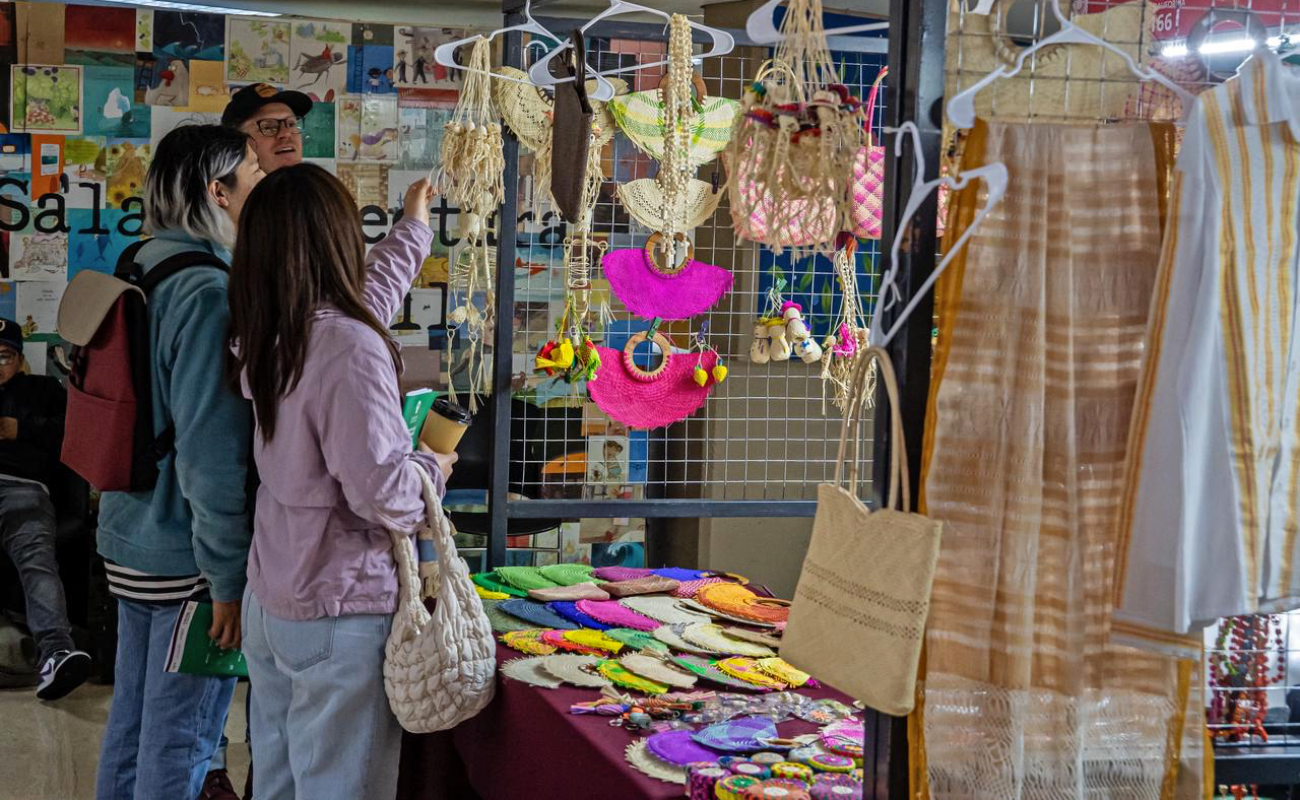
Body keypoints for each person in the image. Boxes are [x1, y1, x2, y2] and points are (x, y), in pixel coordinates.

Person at [227, 166, 454, 800]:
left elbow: (367, 302)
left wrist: (414, 227)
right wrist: (432, 469)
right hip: (340, 606)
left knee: (276, 781)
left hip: (273, 600)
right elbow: (384, 492)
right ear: (337, 239)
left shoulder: (271, 327)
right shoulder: (347, 347)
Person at [94, 124, 263, 800]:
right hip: (186, 555)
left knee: (133, 726)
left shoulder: (141, 260)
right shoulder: (209, 293)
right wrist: (227, 578)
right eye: (251, 169)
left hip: (130, 528)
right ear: (216, 191)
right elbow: (209, 451)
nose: (261, 181)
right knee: (184, 737)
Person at [0, 320, 90, 700]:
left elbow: (74, 435)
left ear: (19, 359)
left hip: (24, 490)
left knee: (37, 561)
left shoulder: (43, 389)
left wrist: (21, 429)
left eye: (3, 356)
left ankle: (56, 653)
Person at [221, 82, 312, 173]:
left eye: (291, 124)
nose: (286, 133)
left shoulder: (317, 185)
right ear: (235, 145)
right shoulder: (217, 186)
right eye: (268, 127)